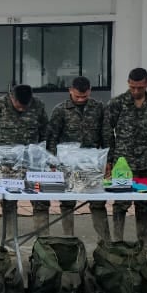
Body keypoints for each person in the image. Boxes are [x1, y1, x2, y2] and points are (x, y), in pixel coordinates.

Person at [103, 68, 147, 251]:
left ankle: (144, 241)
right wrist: (110, 159)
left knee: (145, 202)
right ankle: (118, 241)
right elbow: (108, 132)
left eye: (139, 87)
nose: (136, 91)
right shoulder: (117, 103)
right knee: (121, 203)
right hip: (124, 161)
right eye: (132, 87)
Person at [0, 84, 50, 243]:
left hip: (32, 163)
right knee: (9, 202)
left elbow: (46, 132)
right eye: (19, 105)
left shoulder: (38, 105)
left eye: (25, 106)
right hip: (7, 165)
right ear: (12, 97)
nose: (21, 109)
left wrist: (47, 157)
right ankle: (11, 241)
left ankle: (44, 242)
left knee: (41, 200)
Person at [46, 76, 109, 241]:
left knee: (98, 201)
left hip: (92, 163)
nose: (81, 100)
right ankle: (69, 239)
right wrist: (52, 161)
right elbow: (52, 137)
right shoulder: (60, 110)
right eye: (77, 96)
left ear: (90, 91)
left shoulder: (99, 108)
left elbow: (106, 135)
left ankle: (105, 241)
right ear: (70, 91)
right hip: (68, 163)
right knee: (67, 202)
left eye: (84, 96)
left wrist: (109, 160)